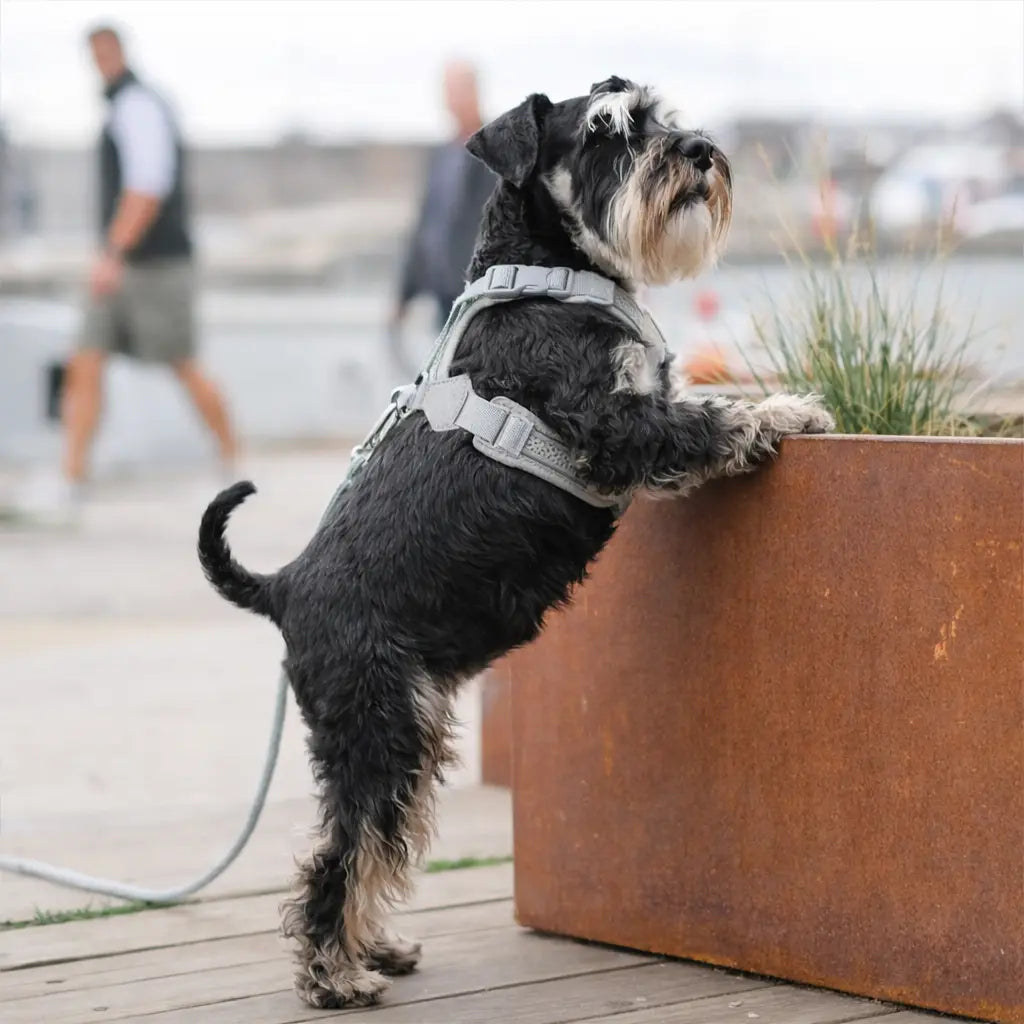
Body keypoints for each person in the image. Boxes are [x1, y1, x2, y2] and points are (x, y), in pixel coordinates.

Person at [16, 24, 237, 524]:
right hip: (124, 263)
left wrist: (111, 253)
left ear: (117, 53)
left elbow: (147, 185)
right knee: (84, 360)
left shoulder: (138, 104)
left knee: (182, 363)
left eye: (103, 53)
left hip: (153, 265)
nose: (99, 63)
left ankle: (230, 460)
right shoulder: (123, 105)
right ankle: (72, 479)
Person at [390, 61, 496, 357]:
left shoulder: (496, 150)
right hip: (442, 295)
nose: (450, 100)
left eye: (456, 91)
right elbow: (426, 226)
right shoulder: (441, 154)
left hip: (480, 298)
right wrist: (404, 294)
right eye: (447, 92)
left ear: (474, 92)